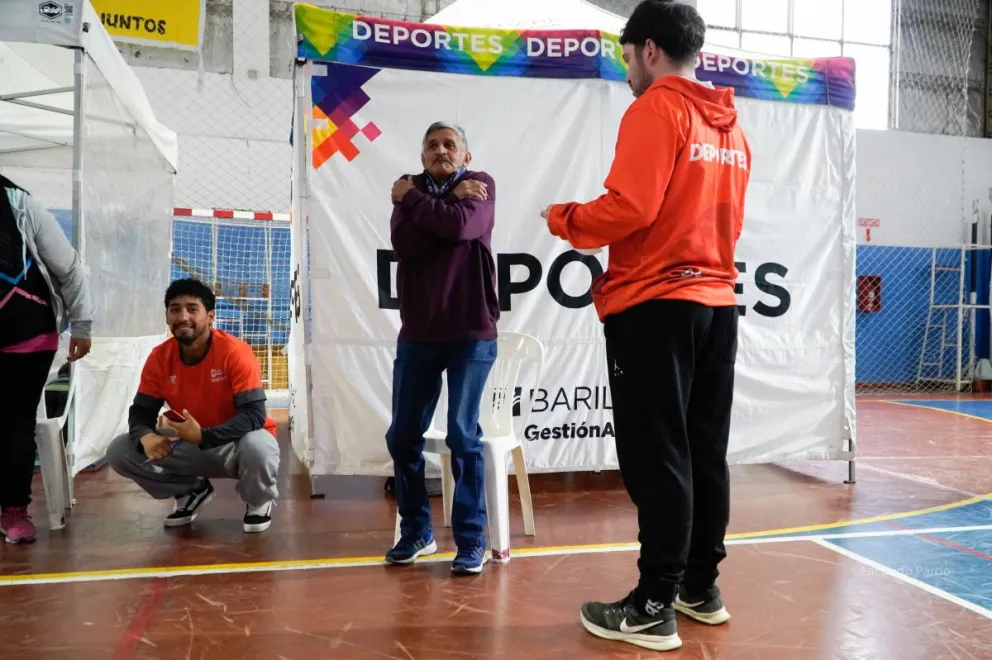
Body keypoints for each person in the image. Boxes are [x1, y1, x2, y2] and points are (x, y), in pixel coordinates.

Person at [541, 1, 751, 652]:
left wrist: (566, 218)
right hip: (716, 303)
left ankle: (652, 604)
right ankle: (698, 587)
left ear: (650, 50)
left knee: (658, 455)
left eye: (626, 55)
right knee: (701, 451)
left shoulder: (657, 109)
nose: (626, 68)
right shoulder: (730, 128)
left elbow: (630, 207)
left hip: (657, 303)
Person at [384, 121, 499, 576]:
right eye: (432, 145)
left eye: (450, 144)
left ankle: (472, 541)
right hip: (419, 334)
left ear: (465, 156)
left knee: (461, 435)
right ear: (422, 155)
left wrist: (417, 202)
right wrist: (440, 205)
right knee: (402, 437)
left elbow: (463, 227)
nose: (441, 151)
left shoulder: (481, 184)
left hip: (471, 334)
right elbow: (406, 242)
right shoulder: (410, 190)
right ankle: (417, 532)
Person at [106, 278, 281, 533]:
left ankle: (257, 501)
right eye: (175, 309)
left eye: (192, 308)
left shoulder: (235, 352)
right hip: (189, 444)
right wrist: (145, 436)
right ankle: (191, 491)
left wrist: (205, 435)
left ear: (210, 316)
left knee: (259, 445)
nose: (183, 316)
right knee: (120, 451)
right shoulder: (159, 357)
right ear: (166, 316)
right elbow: (141, 411)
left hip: (235, 444)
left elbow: (254, 415)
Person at [0, 175, 92, 544]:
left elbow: (68, 269)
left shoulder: (22, 206)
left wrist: (83, 324)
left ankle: (13, 511)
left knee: (16, 423)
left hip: (28, 335)